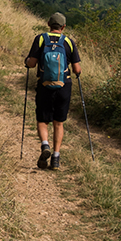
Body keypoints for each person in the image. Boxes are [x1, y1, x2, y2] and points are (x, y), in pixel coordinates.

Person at [25, 12, 80, 170]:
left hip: (44, 85)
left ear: (49, 24)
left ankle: (45, 145)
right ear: (63, 27)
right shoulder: (68, 42)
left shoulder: (41, 39)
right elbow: (76, 69)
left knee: (43, 120)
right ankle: (55, 158)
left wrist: (26, 61)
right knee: (58, 122)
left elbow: (32, 63)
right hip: (63, 86)